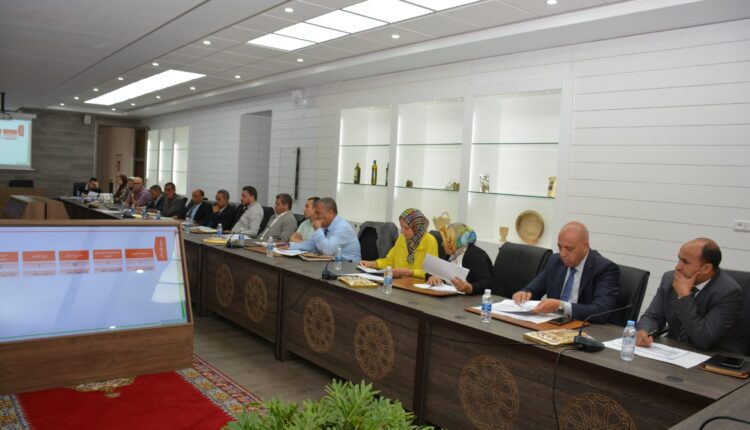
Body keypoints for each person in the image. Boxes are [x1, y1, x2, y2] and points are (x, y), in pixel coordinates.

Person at [636, 238, 743, 352]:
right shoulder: (670, 279)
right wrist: (644, 331)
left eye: (685, 262)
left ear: (706, 268)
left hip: (714, 355)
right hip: (674, 349)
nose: (677, 267)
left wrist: (684, 296)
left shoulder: (729, 292)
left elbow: (704, 339)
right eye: (679, 259)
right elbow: (653, 316)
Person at [512, 221, 619, 323]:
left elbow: (601, 311)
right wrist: (524, 293)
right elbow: (533, 289)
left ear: (585, 247)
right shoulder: (555, 261)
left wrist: (561, 306)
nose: (562, 254)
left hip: (584, 327)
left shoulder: (605, 269)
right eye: (560, 247)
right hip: (552, 323)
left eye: (569, 249)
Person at [359, 208, 437, 279]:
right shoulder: (402, 238)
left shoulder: (430, 241)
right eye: (401, 227)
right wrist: (373, 264)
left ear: (417, 227)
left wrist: (409, 272)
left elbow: (431, 273)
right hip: (399, 282)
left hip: (418, 285)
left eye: (406, 228)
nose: (402, 231)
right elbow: (390, 261)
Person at [285, 197, 361, 262]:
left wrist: (318, 230)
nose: (316, 216)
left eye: (318, 213)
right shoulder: (325, 225)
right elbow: (310, 245)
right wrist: (288, 245)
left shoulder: (342, 227)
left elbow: (328, 251)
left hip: (348, 266)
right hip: (333, 264)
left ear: (330, 212)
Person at [427, 223, 493, 294]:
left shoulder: (475, 254)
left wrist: (470, 288)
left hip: (471, 298)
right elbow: (436, 270)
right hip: (449, 295)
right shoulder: (450, 254)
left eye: (445, 240)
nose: (442, 244)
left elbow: (487, 283)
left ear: (452, 240)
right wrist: (433, 276)